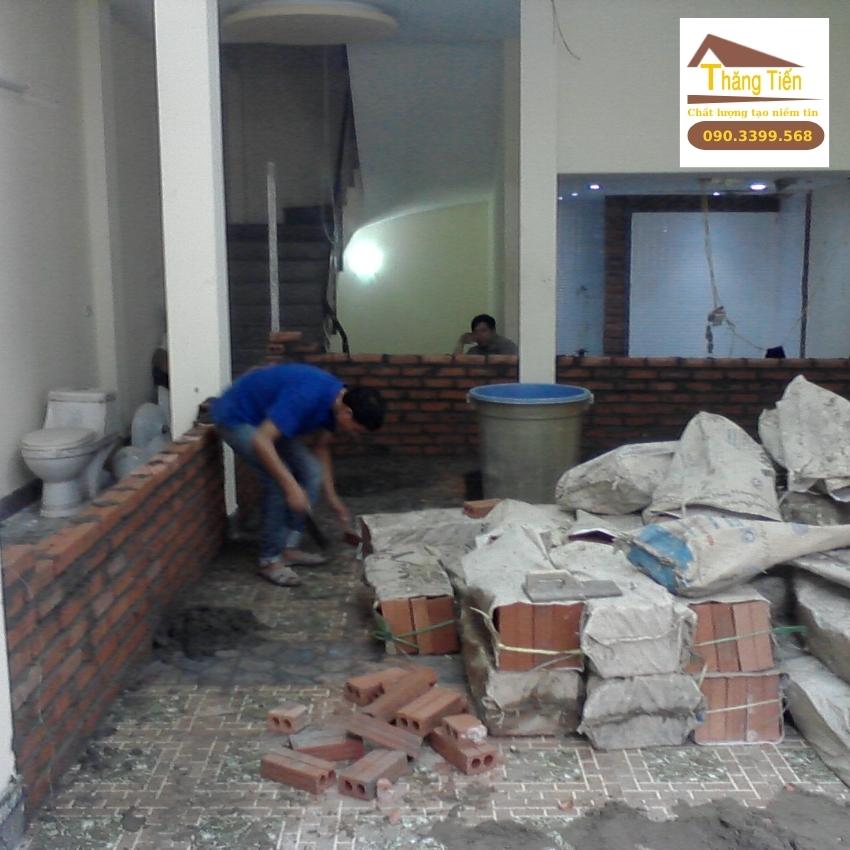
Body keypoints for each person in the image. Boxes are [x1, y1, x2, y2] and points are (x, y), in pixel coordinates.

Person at [211, 363, 385, 587]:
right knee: (278, 481)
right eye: (355, 429)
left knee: (311, 471)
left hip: (268, 421)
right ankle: (270, 559)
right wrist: (291, 487)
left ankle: (287, 547)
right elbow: (261, 441)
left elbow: (321, 449)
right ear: (348, 413)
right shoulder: (306, 396)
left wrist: (333, 500)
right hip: (237, 417)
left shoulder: (338, 402)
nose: (353, 434)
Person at [453, 314, 517, 356]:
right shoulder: (474, 351)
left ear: (493, 331)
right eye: (476, 332)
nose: (480, 335)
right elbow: (457, 365)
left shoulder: (507, 346)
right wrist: (461, 343)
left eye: (483, 331)